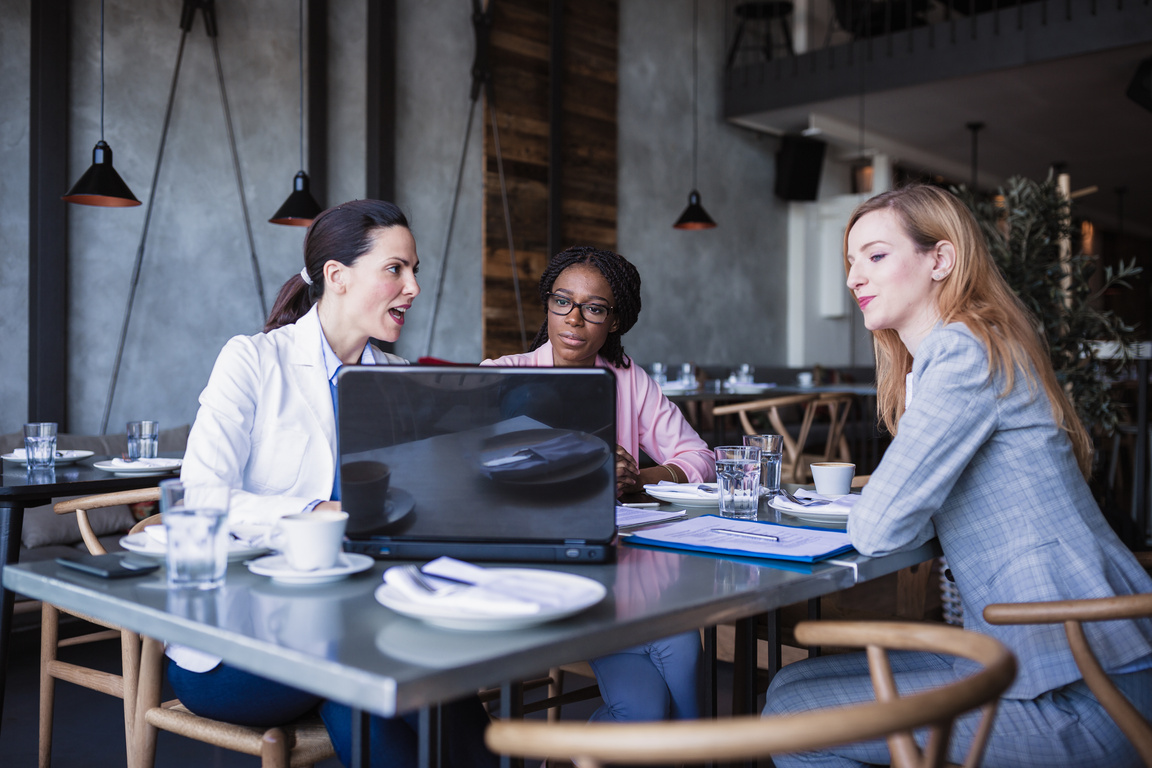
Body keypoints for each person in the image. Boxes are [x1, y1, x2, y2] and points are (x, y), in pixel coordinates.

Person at [762, 184, 1152, 767]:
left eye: (875, 255)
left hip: (1086, 689)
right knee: (788, 689)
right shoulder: (963, 350)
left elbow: (882, 525)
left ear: (940, 260)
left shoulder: (963, 351)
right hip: (1051, 655)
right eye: (850, 262)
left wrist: (873, 504)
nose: (853, 279)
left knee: (792, 718)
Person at [178, 199, 496, 768]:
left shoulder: (397, 379)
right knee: (381, 671)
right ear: (337, 277)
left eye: (415, 270)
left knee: (401, 672)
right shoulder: (252, 361)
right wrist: (317, 511)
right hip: (236, 642)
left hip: (359, 617)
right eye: (396, 269)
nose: (414, 287)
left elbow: (412, 508)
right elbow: (202, 497)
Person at [485, 244, 712, 722]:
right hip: (539, 573)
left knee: (677, 666)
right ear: (547, 304)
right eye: (562, 301)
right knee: (654, 695)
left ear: (615, 321)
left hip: (621, 569)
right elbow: (483, 480)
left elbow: (700, 459)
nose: (573, 319)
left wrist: (637, 480)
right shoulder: (501, 378)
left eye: (594, 308)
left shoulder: (628, 380)